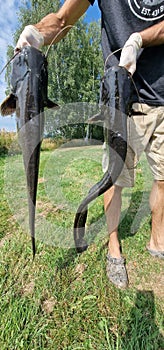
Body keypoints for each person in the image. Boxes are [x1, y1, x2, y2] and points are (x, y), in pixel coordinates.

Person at [16, 1, 164, 289]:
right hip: (117, 99)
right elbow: (61, 20)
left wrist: (139, 39)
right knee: (113, 181)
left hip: (163, 95)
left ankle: (158, 239)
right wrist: (36, 33)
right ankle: (113, 248)